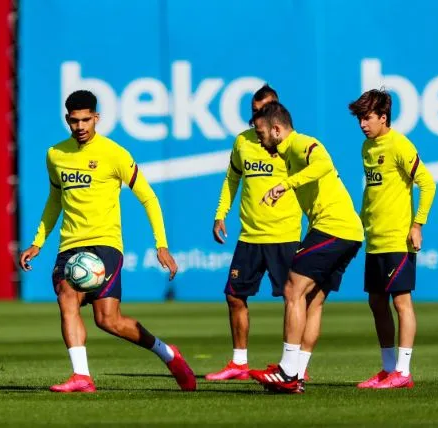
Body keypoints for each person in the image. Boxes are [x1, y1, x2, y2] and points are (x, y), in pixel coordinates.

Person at [18, 90, 195, 393]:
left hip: (105, 245)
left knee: (108, 320)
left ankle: (168, 353)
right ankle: (82, 377)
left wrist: (161, 245)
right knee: (66, 295)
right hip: (69, 246)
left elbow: (149, 198)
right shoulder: (55, 155)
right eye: (74, 121)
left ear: (96, 117)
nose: (80, 126)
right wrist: (38, 242)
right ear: (67, 120)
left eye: (86, 119)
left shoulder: (115, 154)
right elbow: (54, 201)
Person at [247, 102, 363, 394]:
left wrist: (285, 185)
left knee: (292, 289)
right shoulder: (288, 153)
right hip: (348, 232)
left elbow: (323, 164)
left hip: (333, 227)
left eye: (261, 134)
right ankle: (296, 374)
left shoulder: (301, 143)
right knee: (312, 302)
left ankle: (287, 371)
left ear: (276, 129)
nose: (260, 141)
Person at [206, 85, 304, 381]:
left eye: (264, 109)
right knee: (234, 296)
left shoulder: (293, 144)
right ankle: (239, 363)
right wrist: (220, 213)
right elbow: (231, 179)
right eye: (254, 110)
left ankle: (295, 364)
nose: (257, 116)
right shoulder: (244, 142)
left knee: (295, 298)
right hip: (250, 236)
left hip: (284, 235)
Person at [348, 89, 436, 389]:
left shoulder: (399, 144)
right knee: (376, 302)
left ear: (383, 117)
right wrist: (360, 221)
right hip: (374, 240)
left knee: (402, 302)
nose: (362, 123)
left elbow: (428, 183)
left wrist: (417, 224)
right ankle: (387, 370)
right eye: (360, 118)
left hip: (398, 240)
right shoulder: (366, 148)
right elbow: (373, 192)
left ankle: (403, 371)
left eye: (367, 117)